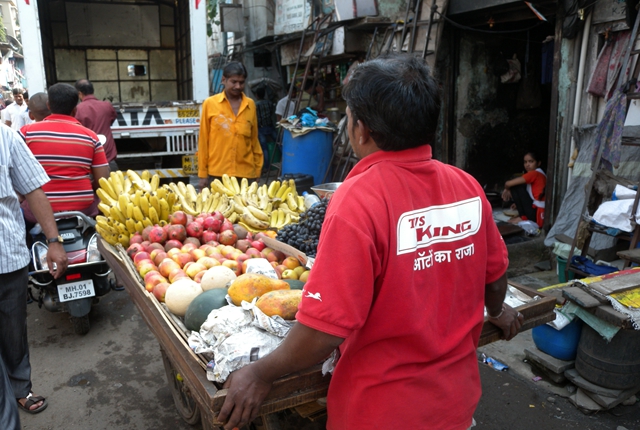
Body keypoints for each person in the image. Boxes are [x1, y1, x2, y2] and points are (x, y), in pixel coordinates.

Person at [216, 54, 523, 430]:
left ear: (360, 130)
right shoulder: (467, 187)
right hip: (455, 406)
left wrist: (261, 373)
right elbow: (494, 279)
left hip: (380, 412)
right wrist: (497, 310)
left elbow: (324, 329)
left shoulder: (358, 199)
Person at [0, 124, 68, 416]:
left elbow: (33, 189)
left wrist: (54, 241)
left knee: (13, 331)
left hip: (6, 256)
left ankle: (19, 389)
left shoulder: (5, 136)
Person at [19, 83, 110, 225]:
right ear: (75, 109)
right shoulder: (91, 137)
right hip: (83, 210)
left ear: (49, 105)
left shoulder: (26, 133)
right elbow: (103, 181)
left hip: (37, 211)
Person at [198, 62, 263, 190]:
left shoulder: (250, 105)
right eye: (234, 82)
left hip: (245, 174)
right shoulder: (210, 104)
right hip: (217, 174)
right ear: (224, 80)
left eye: (241, 82)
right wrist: (202, 174)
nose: (238, 86)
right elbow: (203, 141)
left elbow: (254, 141)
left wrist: (257, 170)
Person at [74, 79, 119, 172]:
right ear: (92, 90)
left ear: (79, 93)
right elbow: (111, 120)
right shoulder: (107, 106)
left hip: (89, 162)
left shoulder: (77, 110)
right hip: (108, 159)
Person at [501, 151, 546, 227]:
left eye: (531, 161)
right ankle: (524, 216)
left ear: (538, 163)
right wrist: (518, 203)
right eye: (525, 162)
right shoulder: (541, 173)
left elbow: (508, 183)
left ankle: (523, 217)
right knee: (520, 185)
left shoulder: (534, 173)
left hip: (536, 215)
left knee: (515, 186)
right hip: (539, 213)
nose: (527, 165)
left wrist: (507, 189)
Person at [254, 87, 277, 172]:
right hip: (270, 126)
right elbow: (272, 114)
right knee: (279, 143)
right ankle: (284, 161)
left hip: (261, 128)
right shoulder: (270, 103)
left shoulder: (255, 105)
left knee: (264, 148)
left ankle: (266, 167)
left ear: (257, 95)